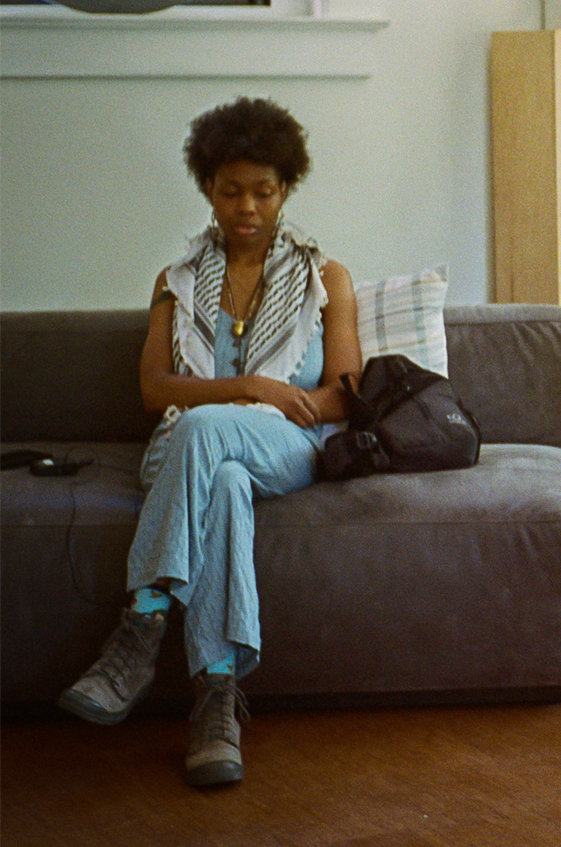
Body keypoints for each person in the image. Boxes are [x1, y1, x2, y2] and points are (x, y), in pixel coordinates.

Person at [56, 97, 361, 789]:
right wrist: (248, 388)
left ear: (285, 190)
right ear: (208, 189)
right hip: (185, 450)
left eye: (263, 190)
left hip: (286, 444)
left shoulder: (325, 278)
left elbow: (344, 395)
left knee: (208, 435)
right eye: (231, 190)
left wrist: (279, 403)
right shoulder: (177, 281)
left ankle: (143, 619)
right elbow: (155, 393)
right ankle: (217, 701)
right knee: (218, 475)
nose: (247, 205)